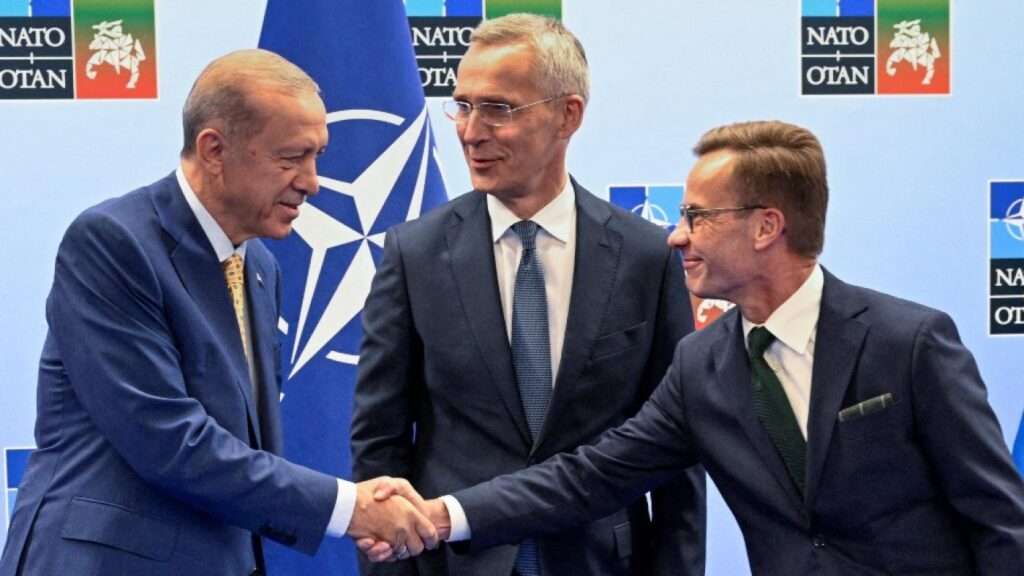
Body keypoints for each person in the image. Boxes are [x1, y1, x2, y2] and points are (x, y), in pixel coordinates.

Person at [367, 120, 1024, 574]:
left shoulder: (908, 343)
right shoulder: (702, 367)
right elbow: (587, 478)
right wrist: (445, 514)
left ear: (768, 226)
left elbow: (998, 518)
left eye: (698, 217)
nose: (677, 239)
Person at [0, 49, 436, 576]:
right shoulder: (114, 243)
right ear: (214, 149)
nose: (313, 181)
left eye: (317, 156)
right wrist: (348, 509)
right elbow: (168, 438)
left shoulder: (259, 267)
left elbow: (243, 443)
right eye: (291, 157)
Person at [351, 13, 706, 576]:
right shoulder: (413, 254)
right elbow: (380, 446)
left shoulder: (646, 256)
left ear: (568, 115)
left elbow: (677, 459)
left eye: (498, 109)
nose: (471, 131)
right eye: (462, 106)